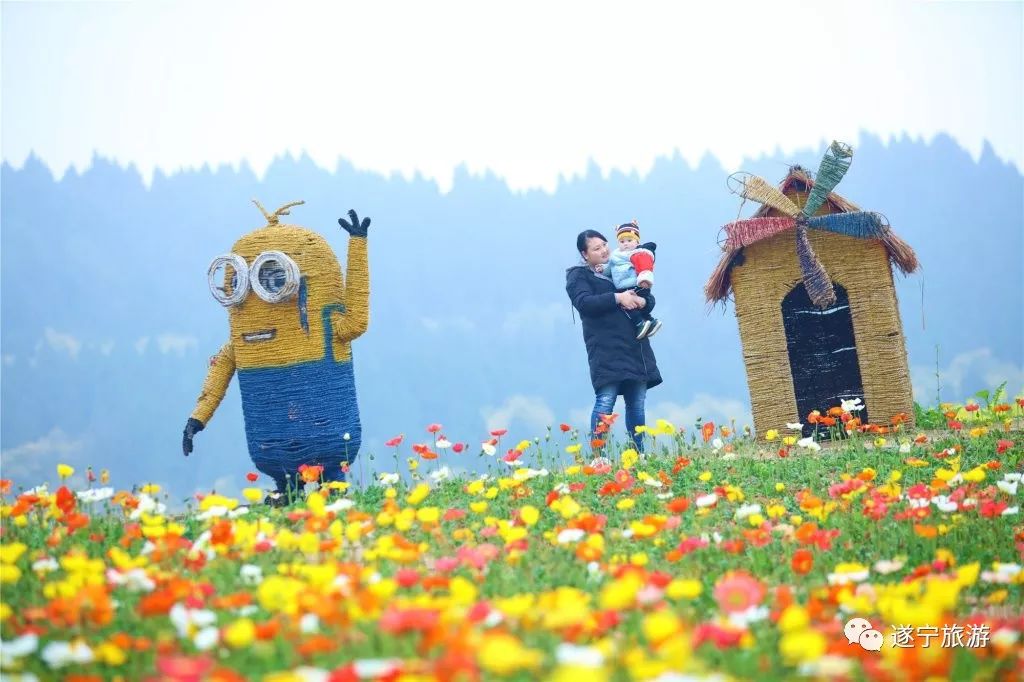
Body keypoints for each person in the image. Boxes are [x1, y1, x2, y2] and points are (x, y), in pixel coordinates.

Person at [566, 229, 662, 453]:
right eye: (596, 248)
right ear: (585, 254)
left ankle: (638, 454)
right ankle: (599, 455)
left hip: (635, 344)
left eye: (604, 245)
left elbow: (648, 297)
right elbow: (585, 302)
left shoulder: (619, 264)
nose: (603, 250)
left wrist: (640, 300)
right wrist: (618, 297)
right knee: (605, 401)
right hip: (606, 349)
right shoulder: (578, 276)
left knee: (637, 403)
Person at [602, 220, 662, 339]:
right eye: (622, 241)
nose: (626, 244)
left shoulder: (637, 253)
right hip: (624, 286)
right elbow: (609, 269)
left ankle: (640, 323)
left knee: (626, 305)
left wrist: (645, 279)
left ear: (637, 241)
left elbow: (644, 266)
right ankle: (651, 321)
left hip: (636, 285)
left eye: (629, 240)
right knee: (635, 304)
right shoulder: (614, 256)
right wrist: (602, 269)